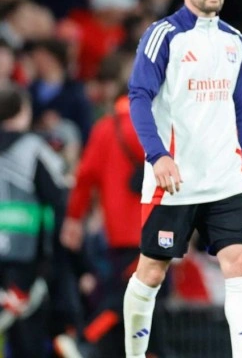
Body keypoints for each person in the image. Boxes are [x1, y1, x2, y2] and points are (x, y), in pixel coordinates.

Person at [123, 0, 242, 358]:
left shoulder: (234, 40)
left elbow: (239, 110)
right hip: (175, 180)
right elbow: (138, 96)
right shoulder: (164, 35)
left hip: (225, 178)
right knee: (151, 271)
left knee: (239, 263)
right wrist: (157, 156)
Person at [59, 86, 167, 357]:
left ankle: (86, 342)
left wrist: (74, 219)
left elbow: (85, 177)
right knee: (138, 303)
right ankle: (86, 341)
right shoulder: (164, 128)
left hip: (119, 236)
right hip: (160, 231)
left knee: (128, 300)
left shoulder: (106, 129)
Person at [0, 87, 68, 357]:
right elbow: (57, 194)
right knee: (27, 335)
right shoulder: (33, 148)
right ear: (22, 111)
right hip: (25, 255)